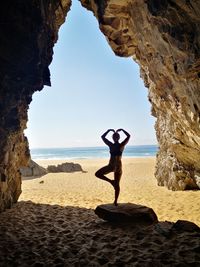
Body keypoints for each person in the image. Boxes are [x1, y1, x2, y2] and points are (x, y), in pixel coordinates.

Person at [95, 128, 130, 206]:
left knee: (98, 174)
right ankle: (115, 201)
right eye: (115, 137)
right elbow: (128, 136)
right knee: (117, 184)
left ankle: (111, 183)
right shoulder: (122, 145)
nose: (114, 138)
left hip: (112, 165)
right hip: (118, 167)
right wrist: (122, 130)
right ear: (118, 138)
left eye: (114, 137)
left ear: (114, 138)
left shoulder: (111, 145)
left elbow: (103, 137)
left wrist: (109, 131)